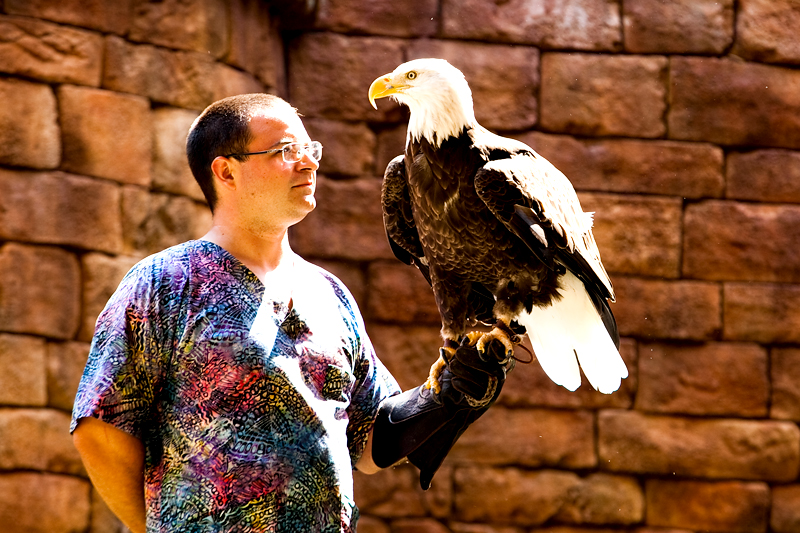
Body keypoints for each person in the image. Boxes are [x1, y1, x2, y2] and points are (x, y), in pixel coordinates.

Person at [71, 93, 511, 533]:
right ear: (226, 171)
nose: (309, 163)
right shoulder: (166, 282)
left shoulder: (330, 294)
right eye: (286, 151)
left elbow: (367, 439)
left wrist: (446, 398)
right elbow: (100, 428)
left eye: (310, 149)